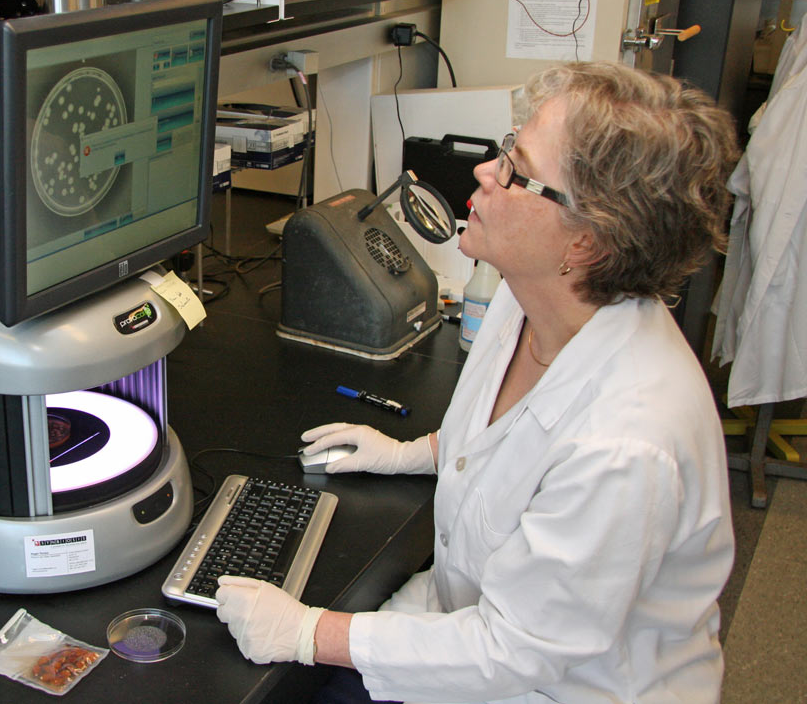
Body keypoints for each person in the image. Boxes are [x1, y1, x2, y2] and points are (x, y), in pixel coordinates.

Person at [214, 61, 739, 703]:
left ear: (586, 242)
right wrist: (416, 453)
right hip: (463, 620)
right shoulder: (528, 297)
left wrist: (306, 633)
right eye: (506, 148)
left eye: (517, 169)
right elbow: (517, 446)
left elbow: (512, 650)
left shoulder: (626, 445)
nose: (487, 171)